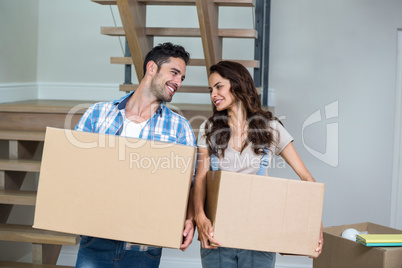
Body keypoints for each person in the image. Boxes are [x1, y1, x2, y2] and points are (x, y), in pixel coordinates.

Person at [74, 42, 196, 268]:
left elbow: (188, 184)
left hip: (143, 246)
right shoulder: (98, 114)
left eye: (182, 78)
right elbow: (74, 167)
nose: (178, 83)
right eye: (174, 73)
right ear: (152, 68)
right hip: (96, 237)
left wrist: (190, 218)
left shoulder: (180, 128)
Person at [193, 60, 324, 268]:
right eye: (211, 90)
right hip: (217, 235)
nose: (213, 95)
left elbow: (307, 178)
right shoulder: (208, 128)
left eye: (219, 87)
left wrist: (314, 222)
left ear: (238, 84)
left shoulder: (271, 128)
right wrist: (199, 215)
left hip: (260, 236)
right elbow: (200, 178)